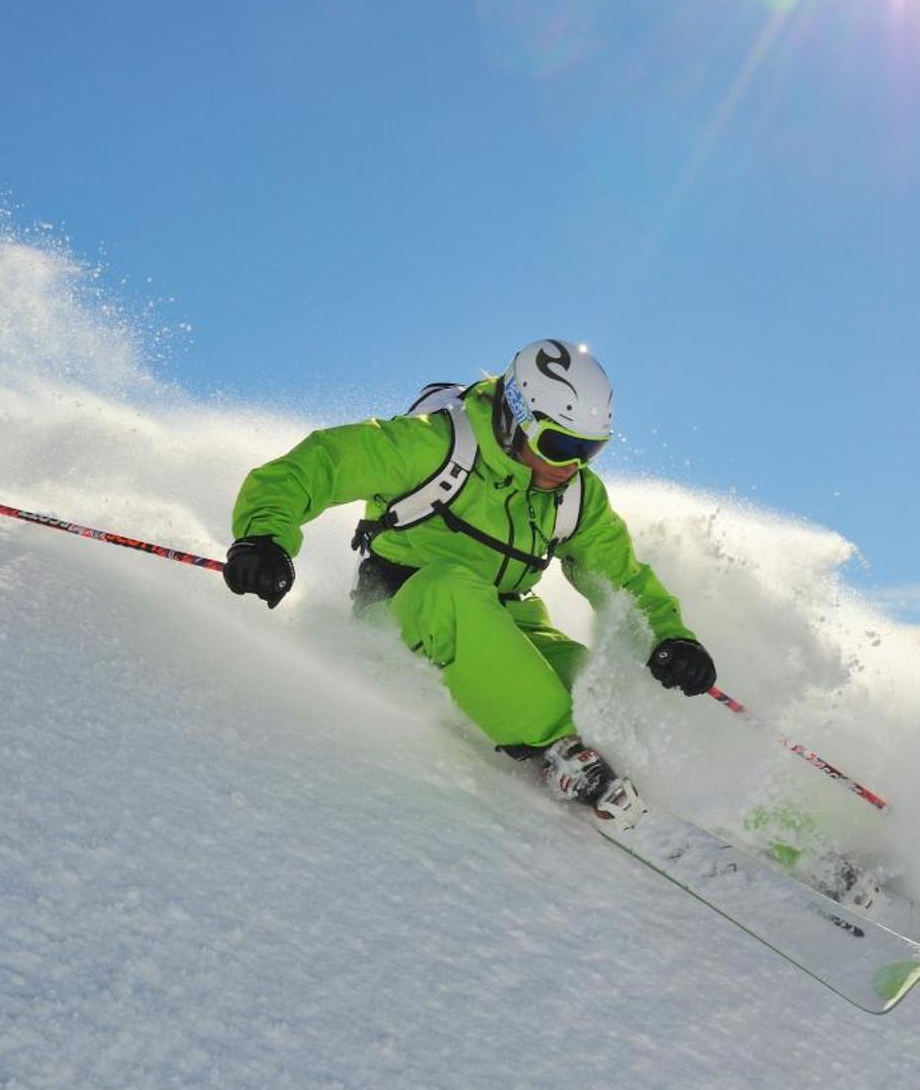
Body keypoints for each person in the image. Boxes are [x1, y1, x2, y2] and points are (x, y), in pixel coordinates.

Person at [223, 339, 717, 820]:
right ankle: (561, 751)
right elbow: (318, 465)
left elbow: (622, 578)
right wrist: (263, 538)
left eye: (589, 450)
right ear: (517, 416)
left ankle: (685, 792)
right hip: (406, 610)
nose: (571, 466)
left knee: (598, 687)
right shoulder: (433, 443)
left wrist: (671, 637)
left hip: (506, 620)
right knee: (452, 589)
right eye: (560, 445)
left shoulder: (576, 496)